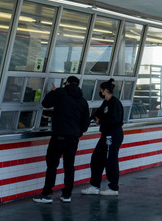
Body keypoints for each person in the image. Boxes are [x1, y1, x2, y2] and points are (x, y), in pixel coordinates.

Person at [33, 76, 90, 204]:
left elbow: (45, 104)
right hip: (74, 138)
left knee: (52, 165)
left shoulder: (60, 92)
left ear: (67, 83)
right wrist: (77, 133)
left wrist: (52, 91)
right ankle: (67, 195)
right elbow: (85, 123)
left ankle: (47, 194)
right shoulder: (83, 101)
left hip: (59, 136)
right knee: (69, 166)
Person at [82, 78, 124, 196]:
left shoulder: (114, 103)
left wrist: (101, 121)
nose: (100, 93)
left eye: (100, 91)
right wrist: (87, 120)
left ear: (105, 91)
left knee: (111, 160)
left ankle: (113, 188)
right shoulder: (106, 102)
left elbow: (115, 120)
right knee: (96, 158)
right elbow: (98, 113)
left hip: (113, 135)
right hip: (105, 135)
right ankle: (94, 186)